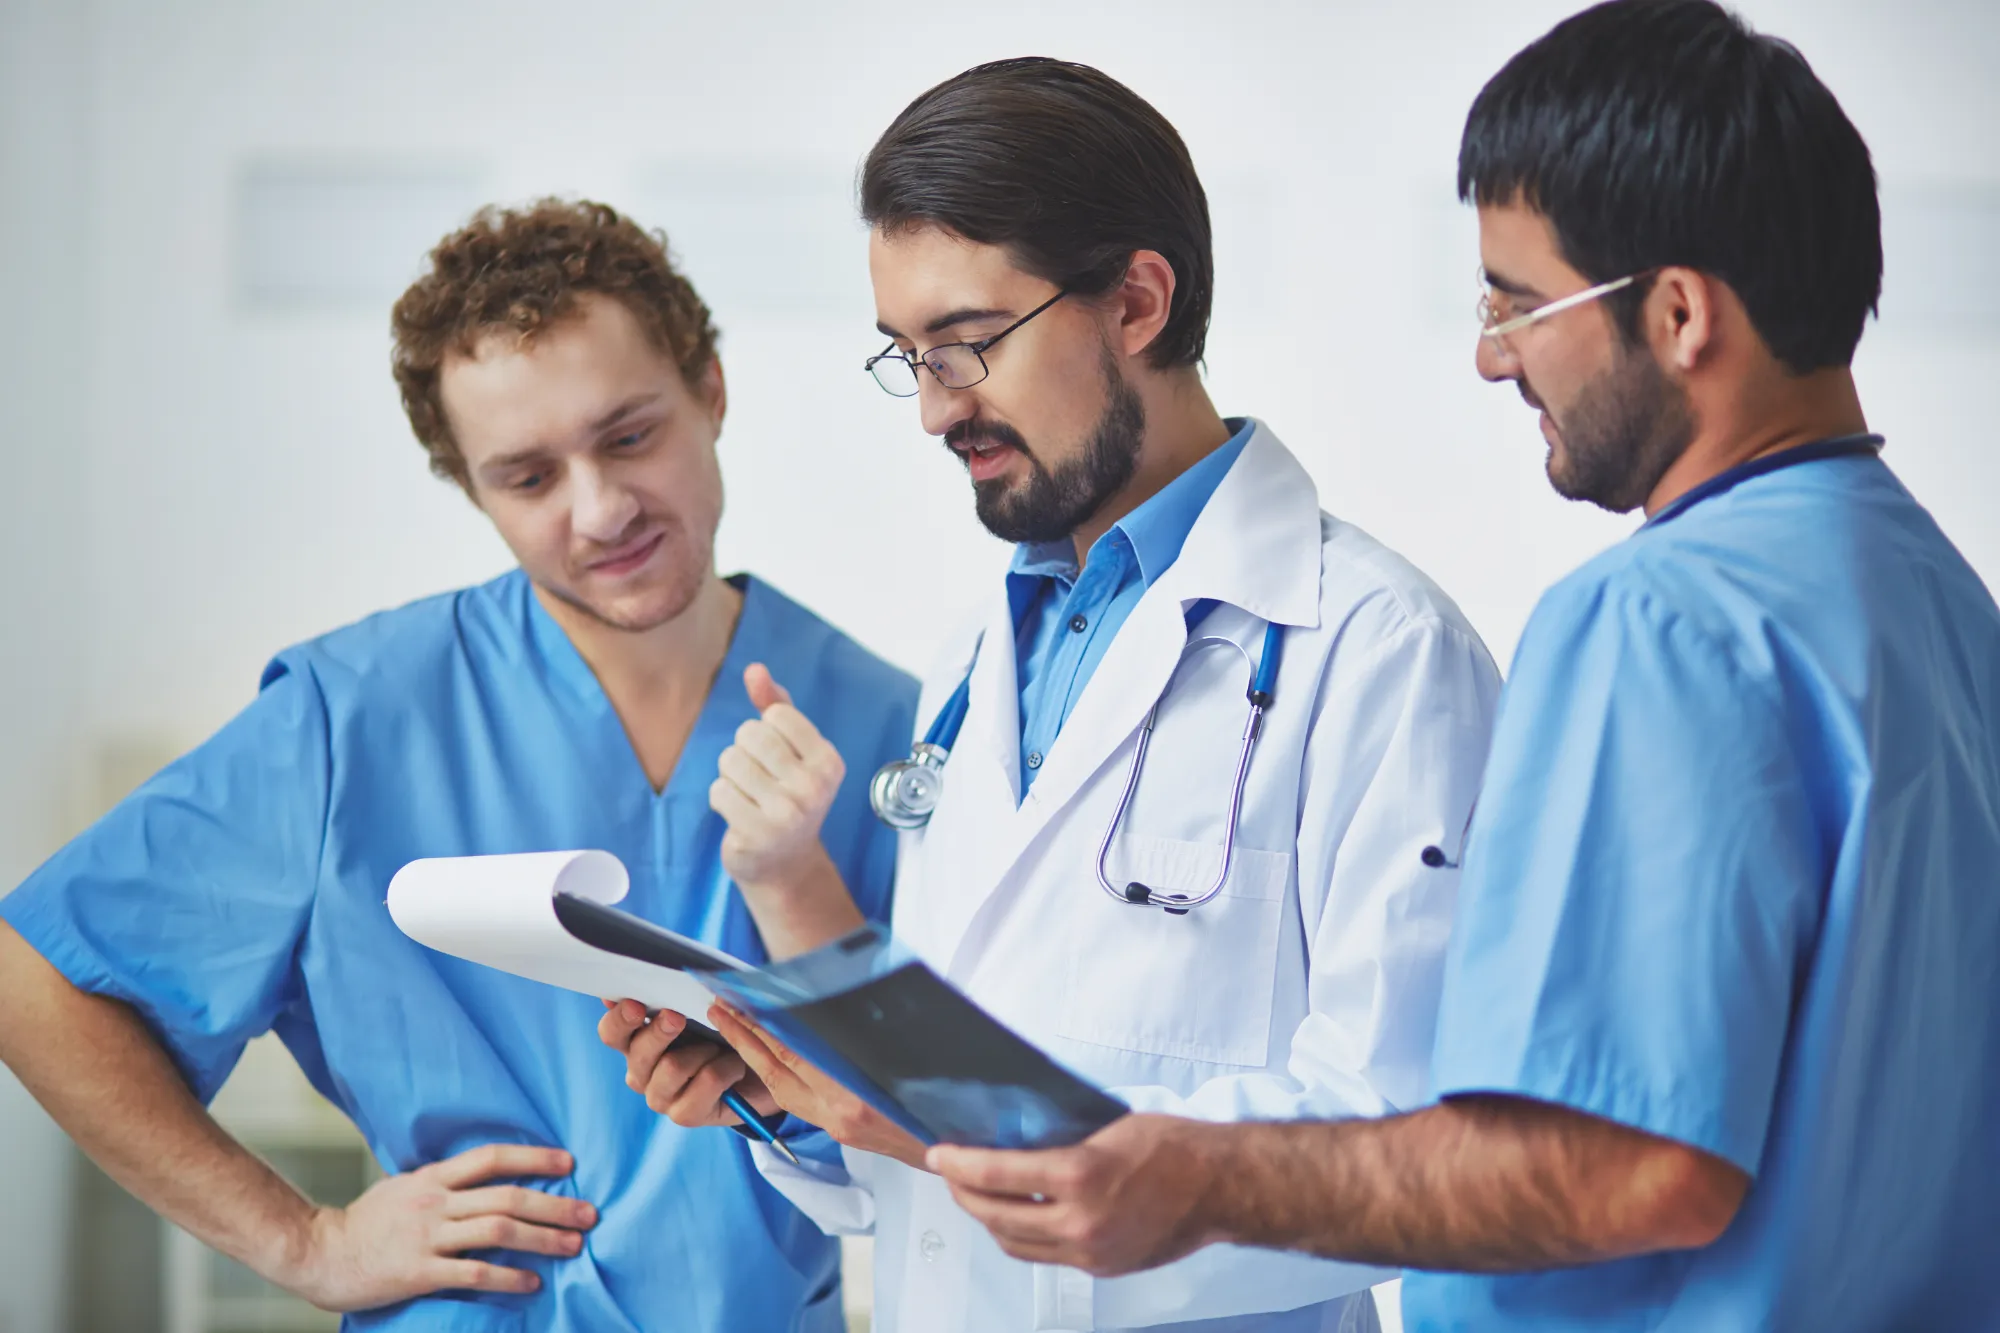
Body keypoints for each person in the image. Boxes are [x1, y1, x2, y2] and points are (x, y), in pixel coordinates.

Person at [918, 4, 2000, 1330]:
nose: (1493, 355)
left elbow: (1636, 1163)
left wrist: (1198, 1174)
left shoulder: (1662, 618)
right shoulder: (1941, 604)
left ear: (1677, 315)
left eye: (1522, 303)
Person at [604, 58, 1502, 1332]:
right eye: (904, 356)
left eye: (964, 346)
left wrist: (944, 1131)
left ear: (1135, 300)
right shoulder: (975, 660)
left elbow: (1402, 1138)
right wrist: (793, 1099)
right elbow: (920, 1137)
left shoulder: (1381, 652)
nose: (929, 410)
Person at [0, 199, 916, 1330]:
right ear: (471, 489)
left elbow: (934, 1112)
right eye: (527, 478)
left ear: (709, 391)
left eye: (629, 434)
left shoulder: (882, 726)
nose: (601, 509)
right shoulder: (355, 715)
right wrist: (304, 1239)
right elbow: (33, 975)